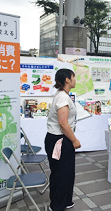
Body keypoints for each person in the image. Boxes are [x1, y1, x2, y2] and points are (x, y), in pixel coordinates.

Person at [45, 69, 81, 211]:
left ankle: (66, 201)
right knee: (60, 174)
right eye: (74, 77)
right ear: (67, 79)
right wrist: (74, 140)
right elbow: (63, 123)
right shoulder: (62, 98)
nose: (75, 80)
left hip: (61, 139)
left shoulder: (63, 95)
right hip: (59, 141)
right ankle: (56, 206)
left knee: (67, 172)